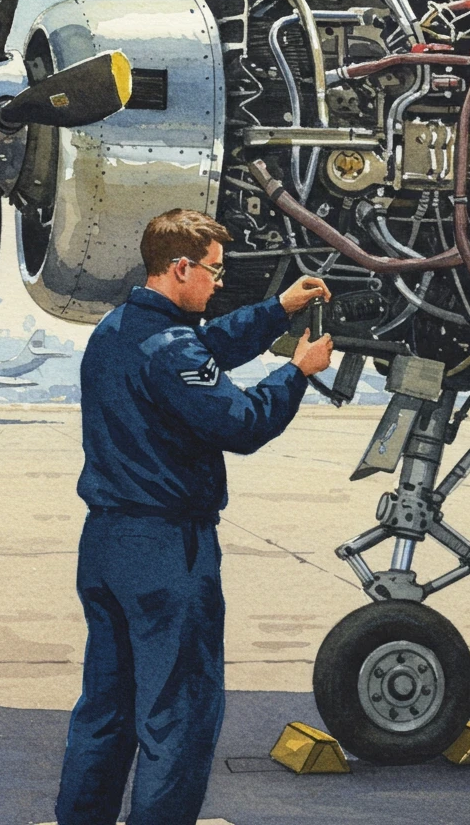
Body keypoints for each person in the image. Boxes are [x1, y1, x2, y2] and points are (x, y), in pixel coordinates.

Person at [55, 208, 334, 825]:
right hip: (165, 550)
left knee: (106, 712)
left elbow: (208, 348)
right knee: (178, 715)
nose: (218, 283)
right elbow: (243, 423)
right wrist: (296, 372)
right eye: (213, 271)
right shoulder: (171, 347)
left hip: (105, 544)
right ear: (180, 268)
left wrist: (279, 309)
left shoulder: (117, 330)